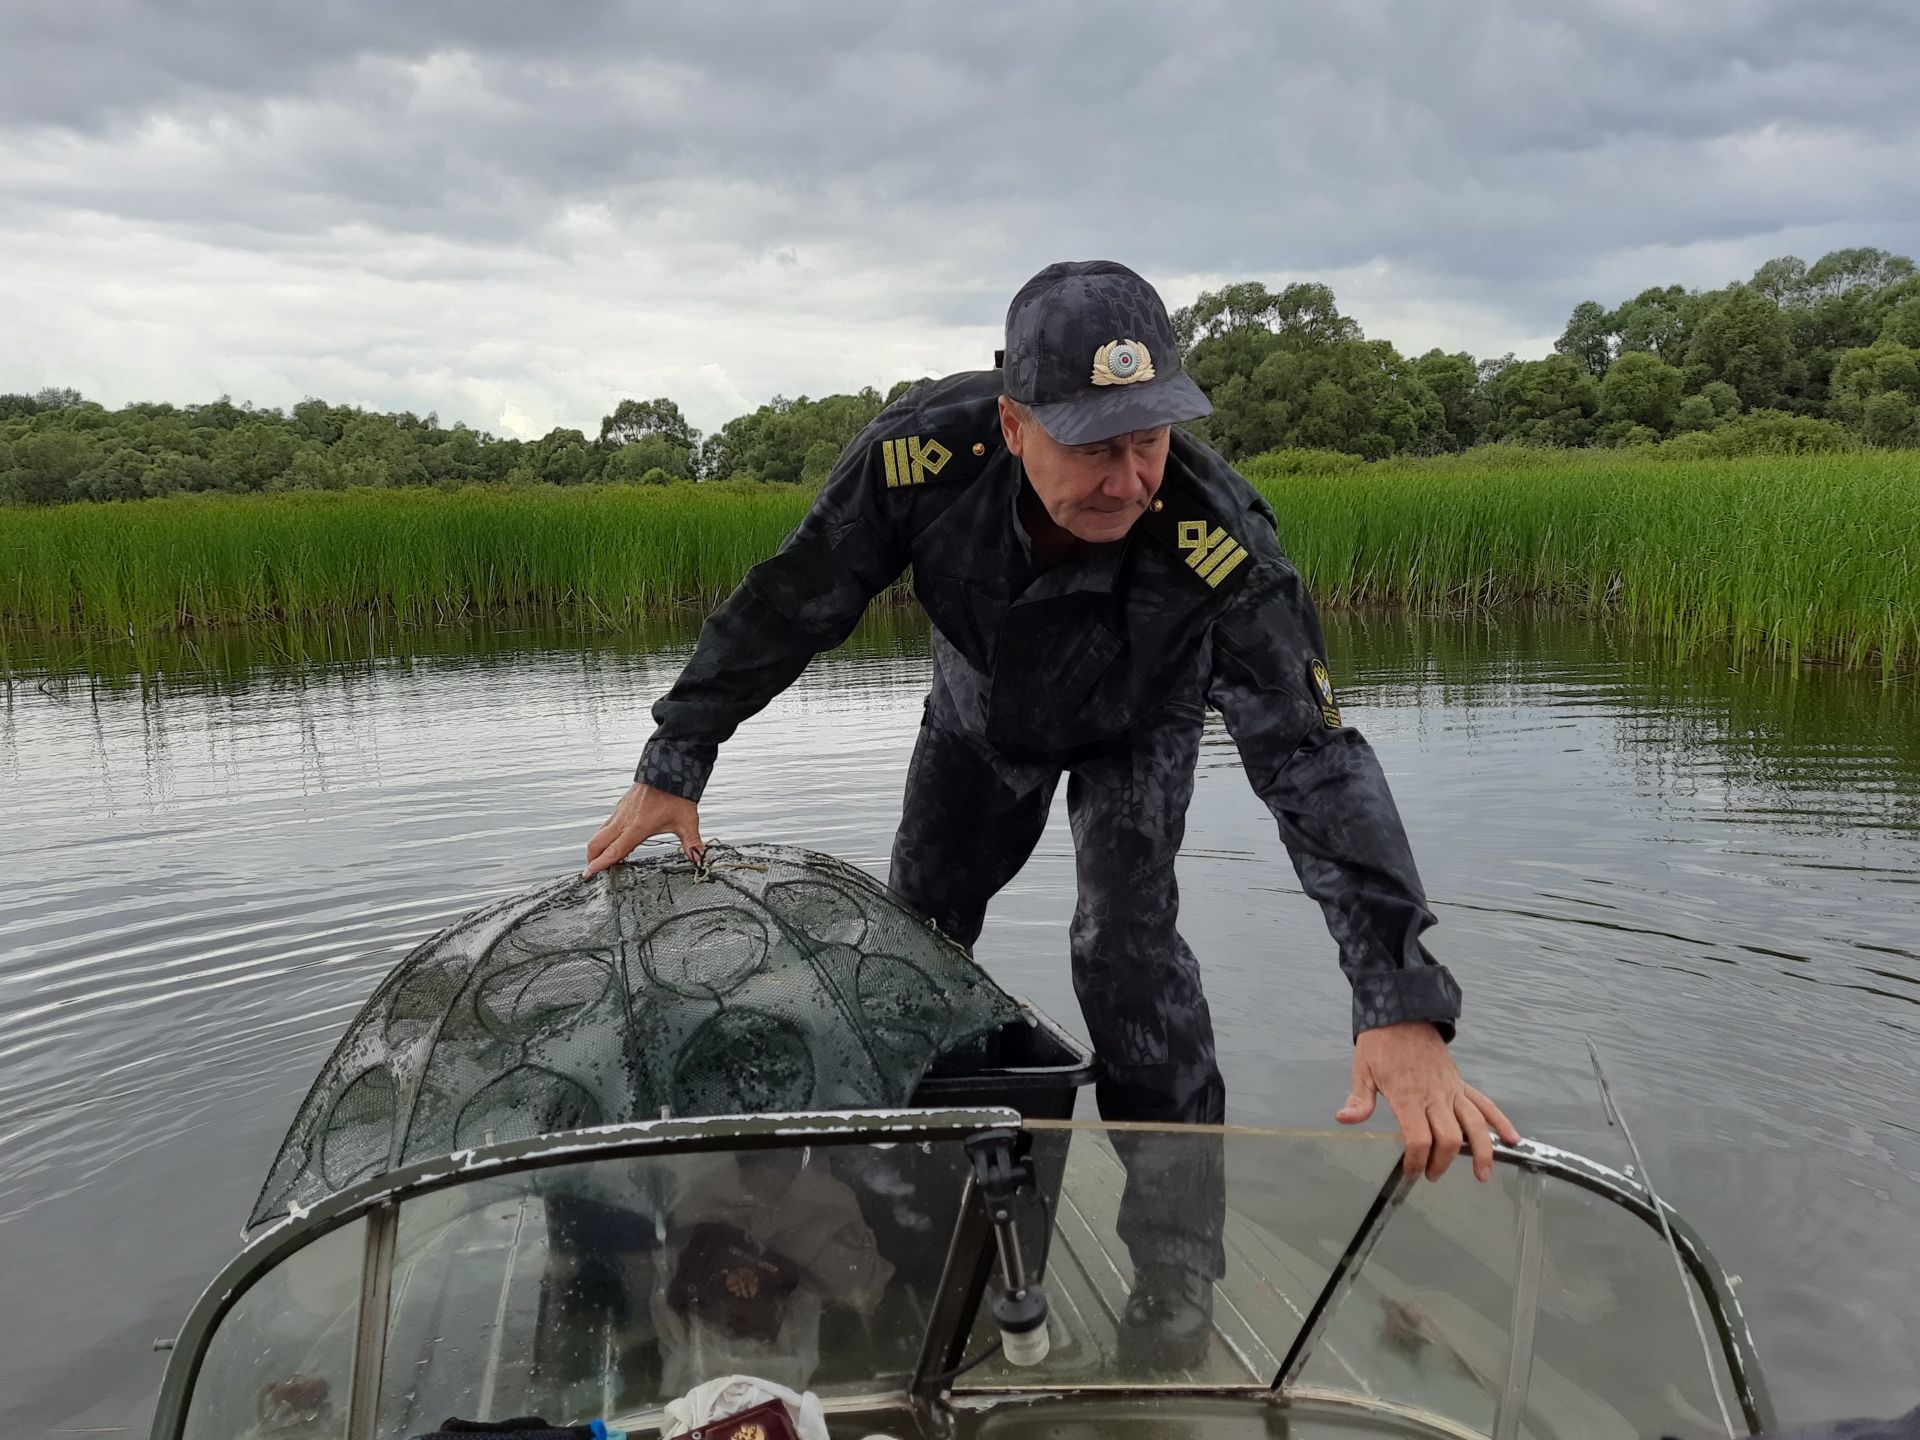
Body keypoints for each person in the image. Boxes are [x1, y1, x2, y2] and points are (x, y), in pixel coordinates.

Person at [585, 260, 1520, 1365]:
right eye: (1093, 445)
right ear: (1016, 421)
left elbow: (1311, 760)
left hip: (1140, 722)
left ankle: (1176, 1268)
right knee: (916, 948)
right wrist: (677, 755)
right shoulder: (921, 457)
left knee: (1124, 949)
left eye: (1150, 439)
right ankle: (905, 1219)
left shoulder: (1216, 535)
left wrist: (1398, 999)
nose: (1129, 481)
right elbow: (797, 597)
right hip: (980, 719)